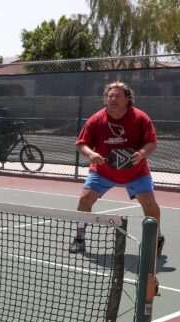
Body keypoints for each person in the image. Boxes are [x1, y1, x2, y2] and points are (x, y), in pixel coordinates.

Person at [70, 81, 163, 256]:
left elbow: (152, 142)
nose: (113, 99)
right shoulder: (97, 119)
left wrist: (142, 153)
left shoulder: (141, 118)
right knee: (85, 199)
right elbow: (81, 143)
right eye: (110, 96)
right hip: (102, 171)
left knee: (149, 204)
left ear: (127, 99)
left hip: (136, 172)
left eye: (118, 96)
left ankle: (157, 237)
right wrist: (91, 154)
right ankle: (79, 237)